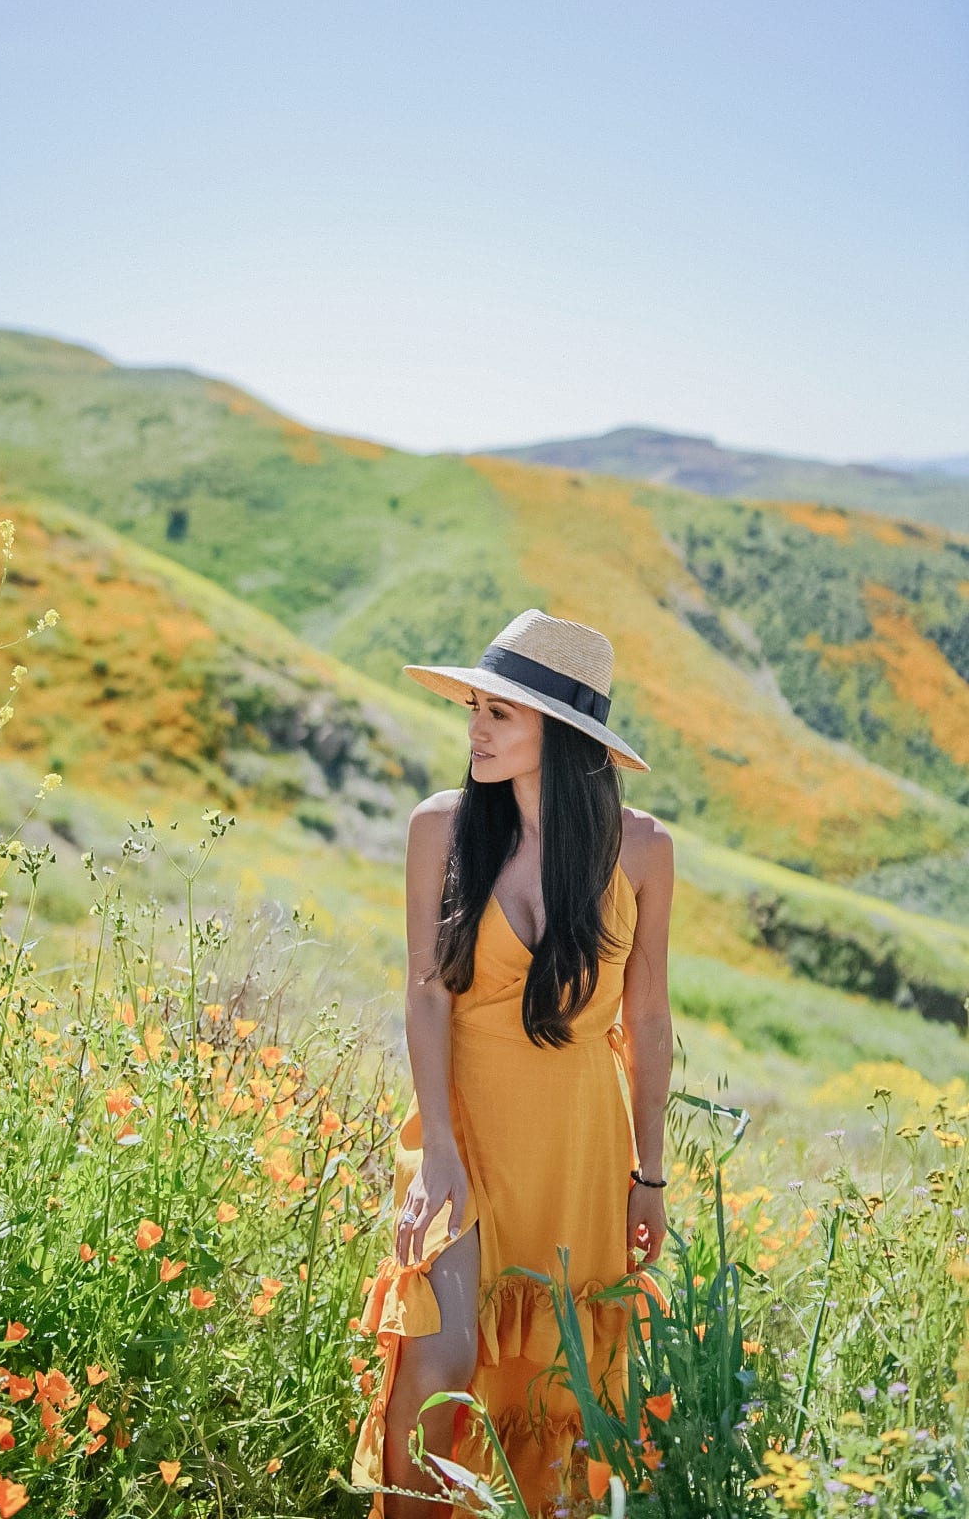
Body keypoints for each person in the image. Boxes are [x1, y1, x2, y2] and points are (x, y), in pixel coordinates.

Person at [351, 609, 674, 1519]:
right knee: (445, 1352)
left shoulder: (642, 850)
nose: (476, 729)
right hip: (464, 1128)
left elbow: (648, 1021)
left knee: (558, 1383)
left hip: (577, 1143)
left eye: (502, 714)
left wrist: (648, 1173)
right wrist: (439, 1152)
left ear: (562, 734)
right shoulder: (442, 829)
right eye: (475, 708)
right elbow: (425, 990)